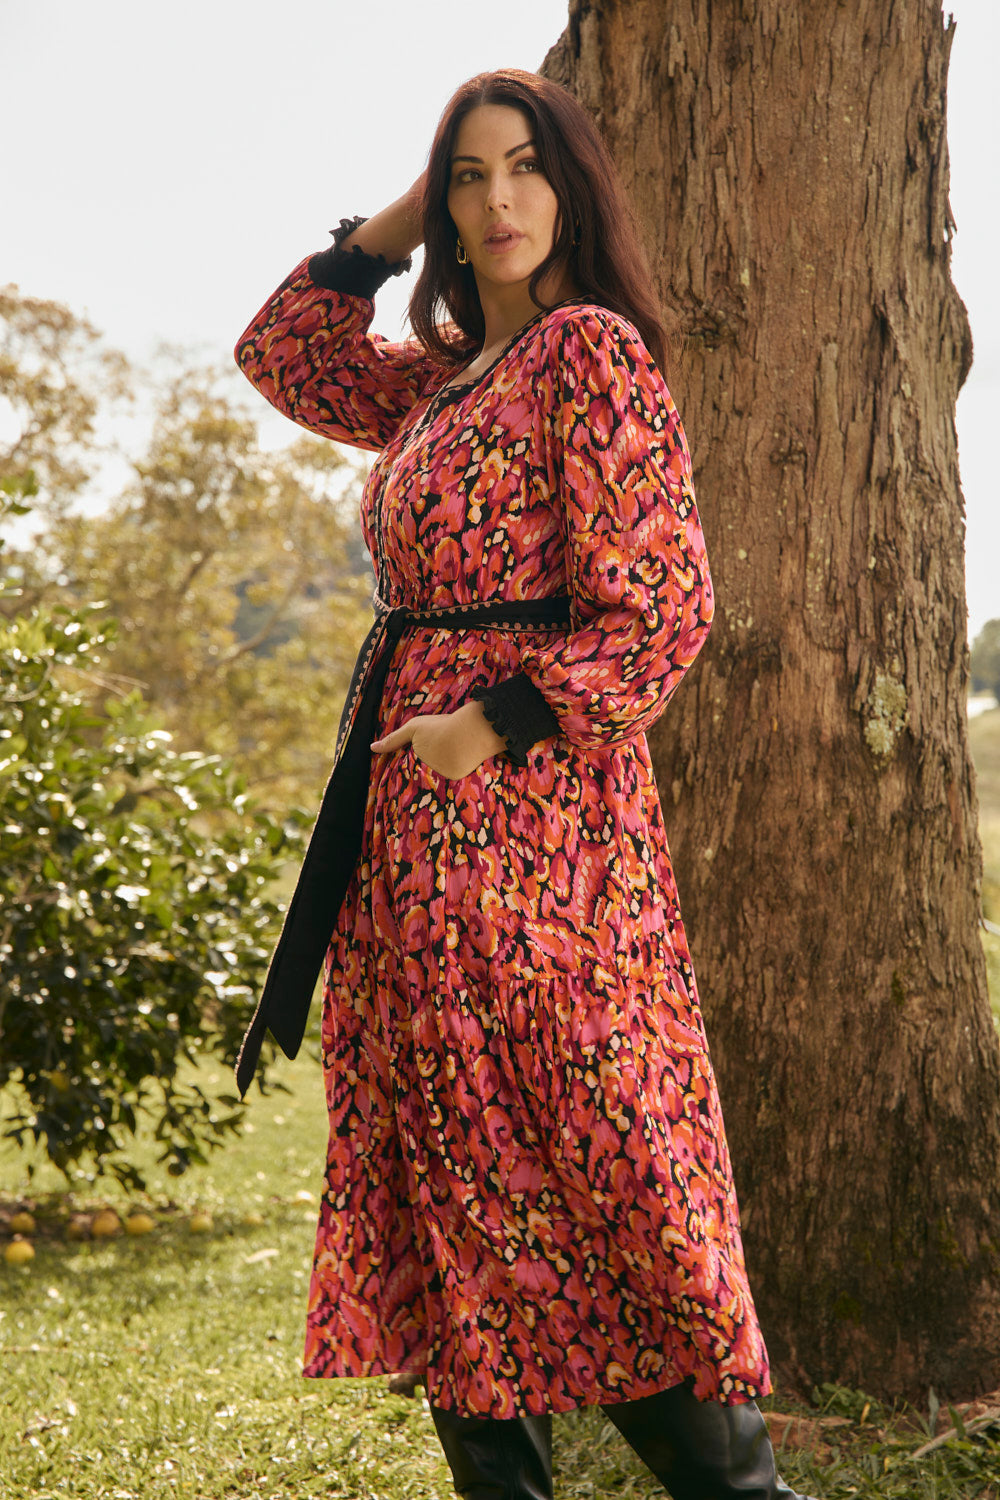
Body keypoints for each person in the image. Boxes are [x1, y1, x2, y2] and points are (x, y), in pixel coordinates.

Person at [233, 68, 815, 1500]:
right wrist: (401, 215)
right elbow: (282, 351)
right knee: (450, 1153)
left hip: (546, 840)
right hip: (409, 853)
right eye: (471, 176)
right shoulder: (441, 379)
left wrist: (488, 725)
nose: (500, 201)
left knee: (601, 1154)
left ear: (574, 187)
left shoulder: (587, 354)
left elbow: (661, 609)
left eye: (525, 168)